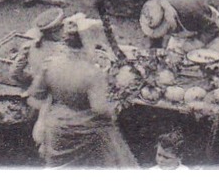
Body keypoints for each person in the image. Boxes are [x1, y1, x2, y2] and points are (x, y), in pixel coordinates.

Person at [25, 15, 137, 168]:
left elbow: (36, 95)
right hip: (88, 135)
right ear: (88, 42)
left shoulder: (50, 63)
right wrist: (116, 99)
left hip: (57, 129)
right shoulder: (92, 74)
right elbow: (100, 109)